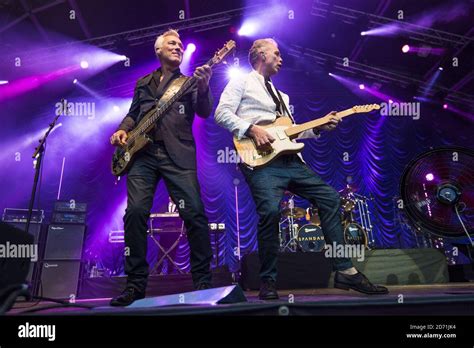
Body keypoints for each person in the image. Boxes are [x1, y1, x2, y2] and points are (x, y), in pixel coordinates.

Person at [215, 38, 388, 300]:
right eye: (277, 53)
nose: (281, 58)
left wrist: (319, 126)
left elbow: (290, 134)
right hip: (260, 162)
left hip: (291, 162)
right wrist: (252, 128)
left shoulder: (282, 96)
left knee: (329, 198)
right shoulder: (241, 81)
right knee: (270, 213)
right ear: (261, 54)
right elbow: (221, 113)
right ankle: (268, 281)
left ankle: (346, 270)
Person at [109, 29, 214, 306]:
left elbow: (203, 112)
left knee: (194, 215)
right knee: (135, 214)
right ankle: (134, 286)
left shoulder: (189, 82)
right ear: (158, 50)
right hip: (141, 155)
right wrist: (122, 130)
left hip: (177, 154)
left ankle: (203, 280)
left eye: (180, 44)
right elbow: (133, 114)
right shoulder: (143, 82)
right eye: (172, 43)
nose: (178, 47)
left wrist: (204, 87)